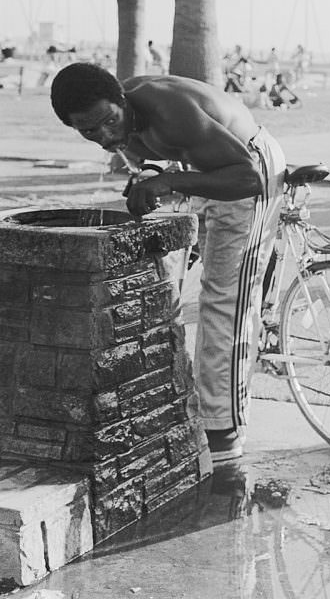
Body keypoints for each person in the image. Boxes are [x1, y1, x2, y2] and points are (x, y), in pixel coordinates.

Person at [49, 62, 286, 463]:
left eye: (108, 122)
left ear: (122, 100)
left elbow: (248, 179)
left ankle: (223, 431)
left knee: (225, 300)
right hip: (205, 169)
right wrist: (152, 176)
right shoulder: (121, 121)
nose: (105, 136)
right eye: (90, 132)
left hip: (246, 170)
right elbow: (162, 158)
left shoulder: (169, 110)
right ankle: (192, 403)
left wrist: (168, 182)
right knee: (175, 285)